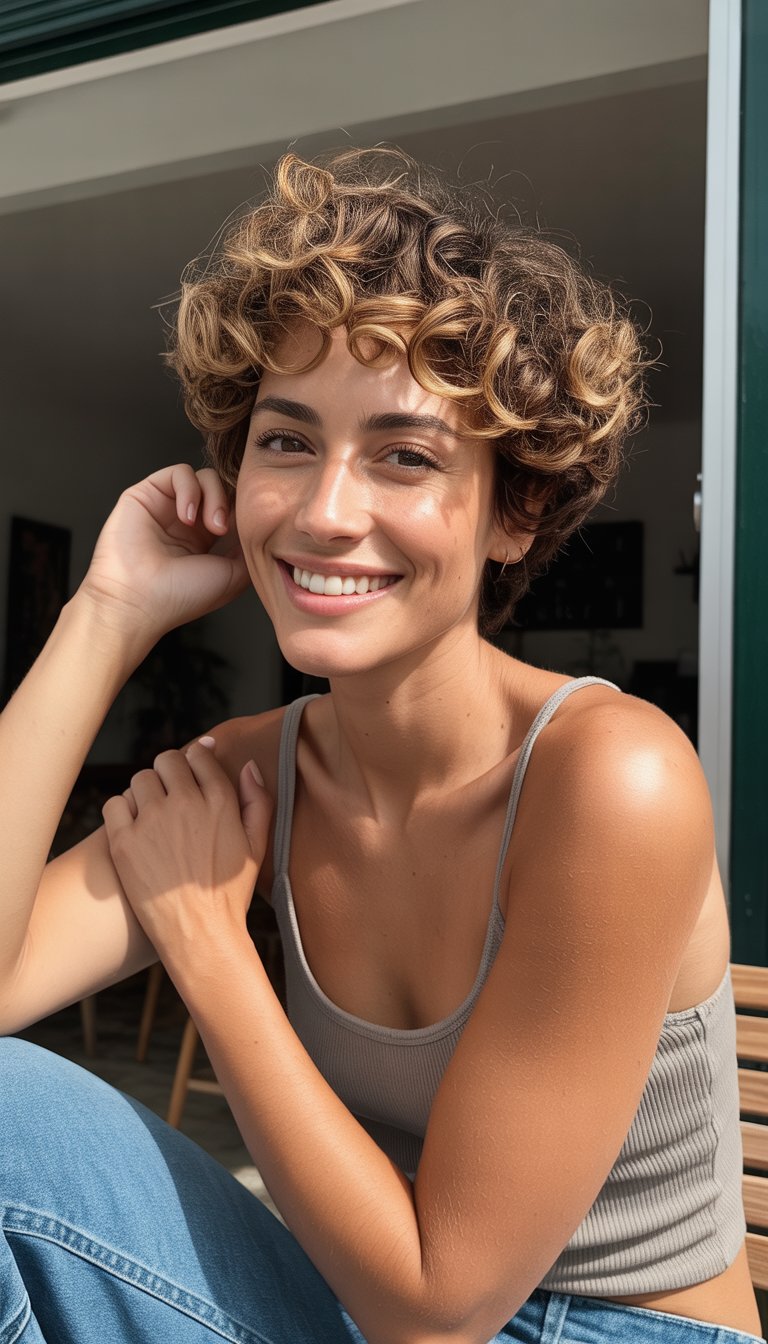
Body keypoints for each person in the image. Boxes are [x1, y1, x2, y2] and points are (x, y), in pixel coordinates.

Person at [0, 147, 762, 1344]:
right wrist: (103, 618)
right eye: (287, 442)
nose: (322, 510)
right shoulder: (257, 771)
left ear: (517, 513)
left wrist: (208, 948)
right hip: (355, 1307)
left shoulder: (612, 778)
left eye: (404, 455)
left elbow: (440, 1305)